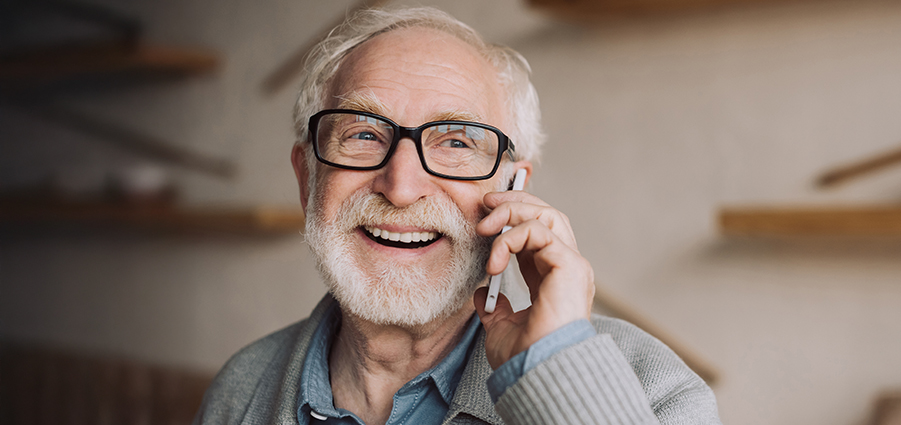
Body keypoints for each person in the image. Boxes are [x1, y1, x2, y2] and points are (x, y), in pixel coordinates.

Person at [194, 6, 721, 425]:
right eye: (363, 134)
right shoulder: (242, 388)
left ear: (513, 190)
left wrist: (558, 374)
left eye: (455, 143)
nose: (401, 188)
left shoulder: (656, 391)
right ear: (308, 180)